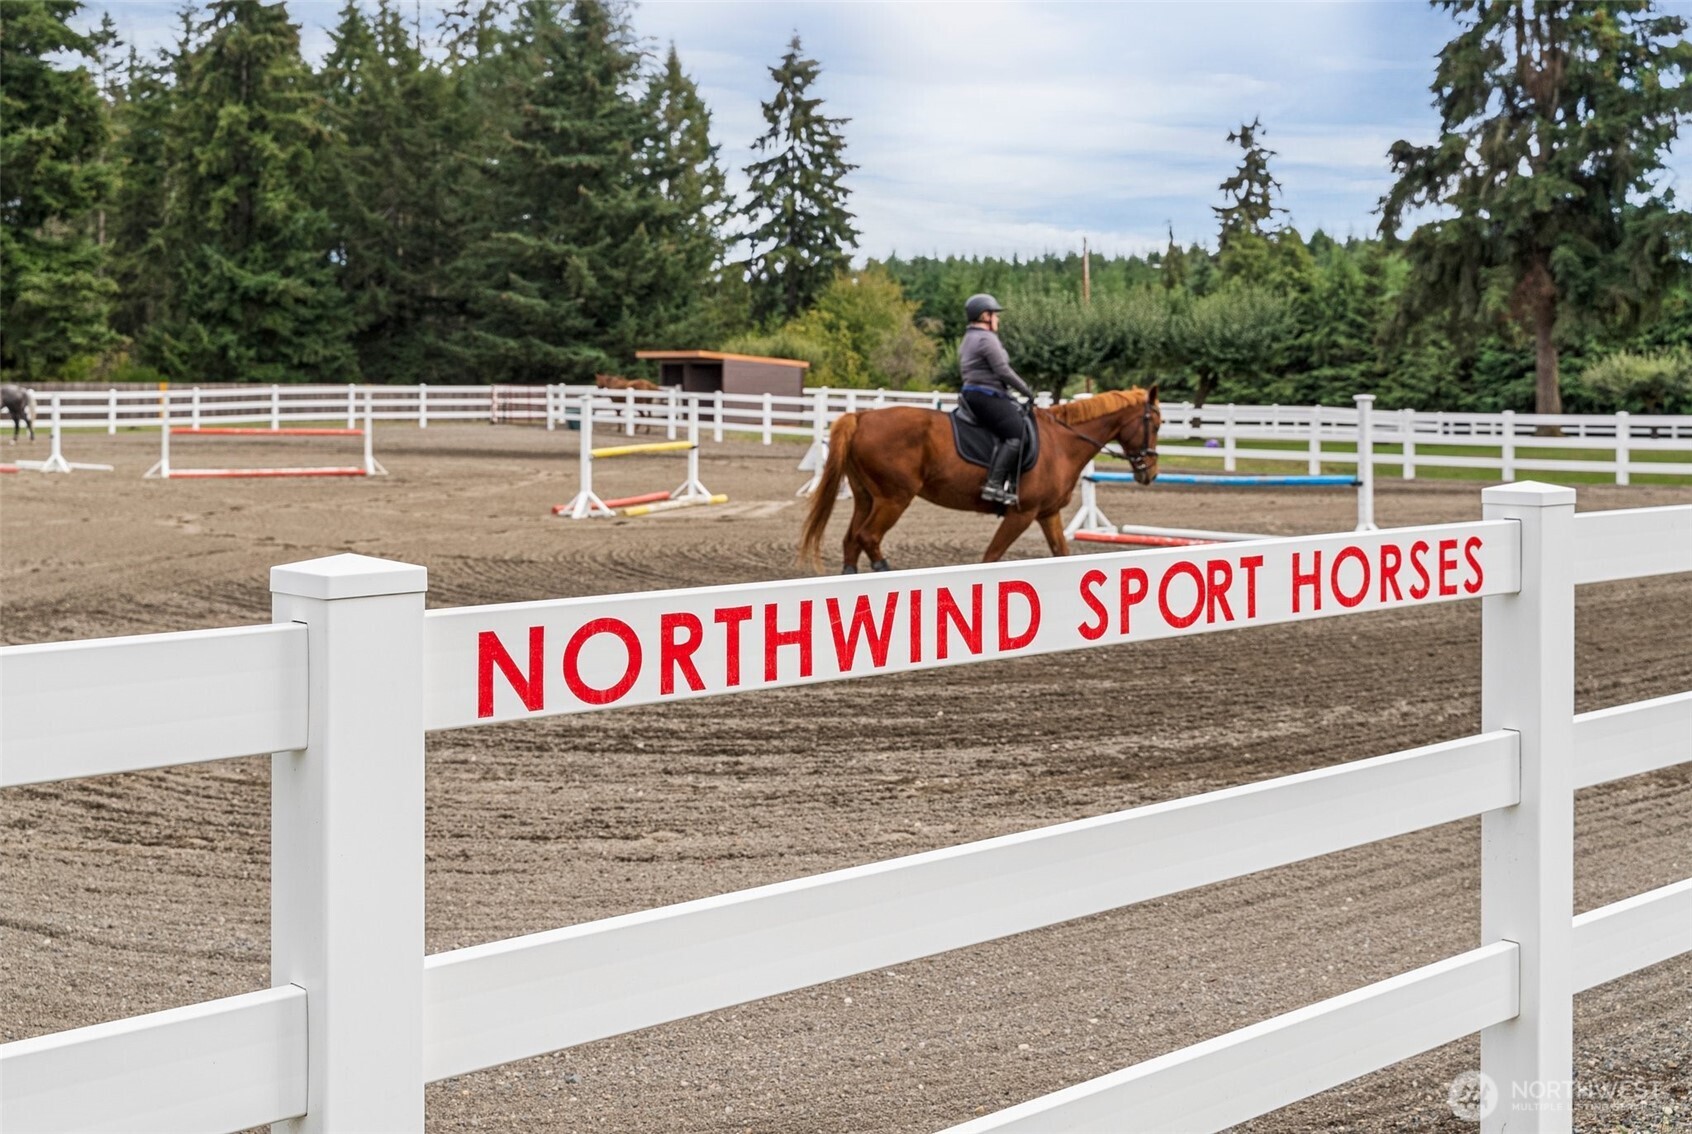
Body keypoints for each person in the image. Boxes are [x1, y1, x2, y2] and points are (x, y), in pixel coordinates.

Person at [958, 293, 1036, 505]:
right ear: (985, 316)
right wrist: (1027, 391)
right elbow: (1003, 371)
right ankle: (994, 484)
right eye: (995, 315)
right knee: (1016, 433)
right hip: (986, 395)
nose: (997, 319)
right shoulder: (985, 338)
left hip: (974, 393)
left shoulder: (970, 337)